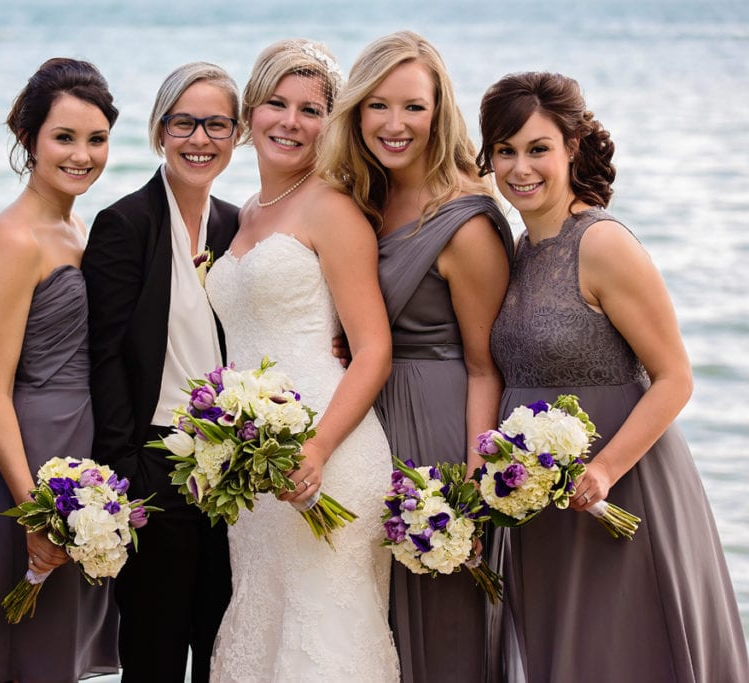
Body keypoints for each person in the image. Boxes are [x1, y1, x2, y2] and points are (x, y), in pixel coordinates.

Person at [477, 71, 749, 682]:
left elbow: (676, 377)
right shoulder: (518, 248)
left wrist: (604, 469)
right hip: (544, 502)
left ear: (572, 147)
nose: (520, 168)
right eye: (505, 151)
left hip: (619, 488)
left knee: (626, 652)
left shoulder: (602, 244)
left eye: (538, 148)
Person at [318, 31, 512, 683]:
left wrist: (476, 487)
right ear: (357, 111)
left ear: (440, 111)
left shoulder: (469, 220)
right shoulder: (364, 193)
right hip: (371, 430)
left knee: (442, 626)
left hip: (438, 433)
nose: (394, 124)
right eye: (378, 105)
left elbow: (488, 365)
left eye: (413, 107)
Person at [205, 38, 399, 681]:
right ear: (249, 114)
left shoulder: (333, 208)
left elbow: (372, 351)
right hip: (257, 460)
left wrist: (314, 449)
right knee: (264, 628)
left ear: (331, 123)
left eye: (311, 110)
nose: (290, 122)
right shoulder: (245, 216)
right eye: (275, 104)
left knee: (323, 636)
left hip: (329, 452)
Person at [81, 62, 240, 683]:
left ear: (235, 136)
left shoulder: (234, 225)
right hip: (153, 470)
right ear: (159, 131)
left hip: (231, 475)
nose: (200, 138)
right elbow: (105, 356)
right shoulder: (126, 224)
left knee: (220, 643)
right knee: (154, 651)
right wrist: (128, 468)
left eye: (216, 125)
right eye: (185, 123)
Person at [0, 57, 121, 682]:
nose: (82, 155)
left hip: (80, 438)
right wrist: (33, 508)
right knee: (23, 641)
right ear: (29, 140)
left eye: (97, 139)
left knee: (60, 637)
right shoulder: (14, 238)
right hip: (31, 448)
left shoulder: (76, 223)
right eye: (64, 138)